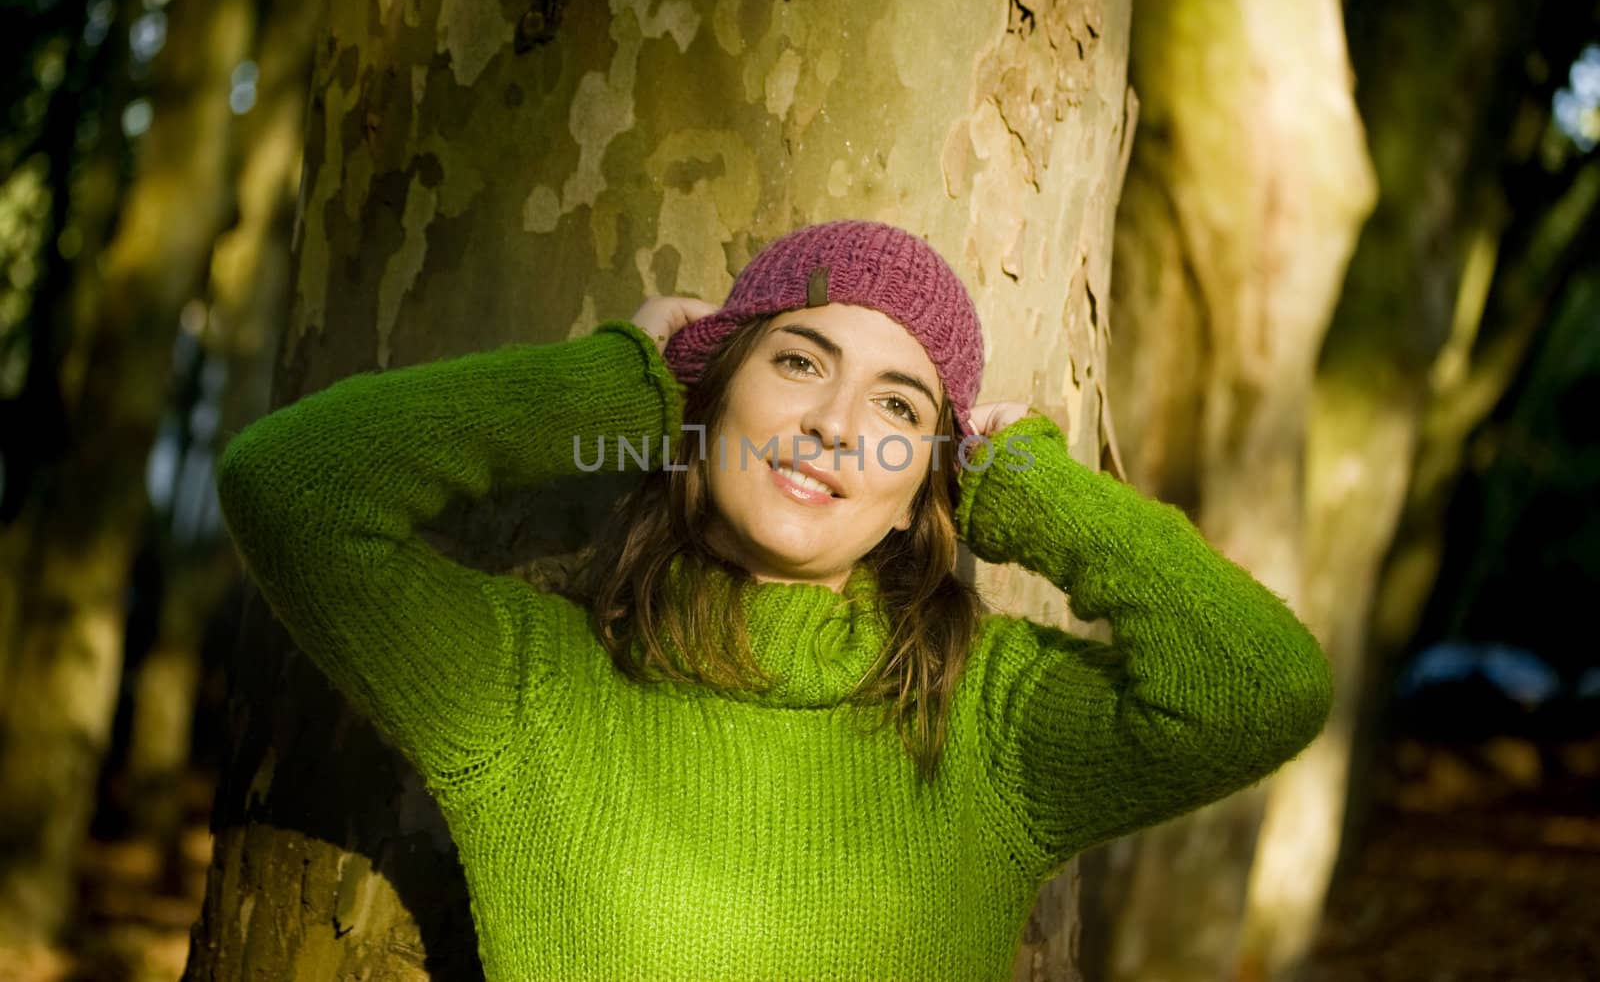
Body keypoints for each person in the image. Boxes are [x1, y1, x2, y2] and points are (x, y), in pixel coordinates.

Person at [215, 219, 1334, 981]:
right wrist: (612, 384)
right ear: (701, 408)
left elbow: (1260, 686)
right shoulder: (520, 685)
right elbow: (292, 488)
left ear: (916, 492)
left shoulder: (990, 722)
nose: (839, 422)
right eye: (799, 363)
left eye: (898, 404)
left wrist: (1026, 492)